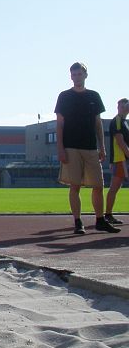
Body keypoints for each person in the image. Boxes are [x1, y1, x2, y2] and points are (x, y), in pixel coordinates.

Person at [54, 62, 118, 234]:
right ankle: (78, 222)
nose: (76, 77)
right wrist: (60, 148)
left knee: (98, 184)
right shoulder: (64, 96)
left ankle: (100, 220)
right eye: (74, 75)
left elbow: (98, 123)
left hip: (90, 147)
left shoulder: (94, 96)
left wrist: (102, 146)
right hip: (71, 147)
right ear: (71, 76)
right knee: (75, 186)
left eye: (79, 74)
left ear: (85, 75)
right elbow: (59, 124)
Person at [105, 98, 129, 228]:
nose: (124, 108)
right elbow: (120, 141)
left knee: (115, 187)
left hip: (123, 159)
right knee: (114, 187)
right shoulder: (117, 121)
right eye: (121, 106)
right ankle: (108, 215)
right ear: (118, 107)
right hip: (120, 159)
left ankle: (108, 214)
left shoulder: (125, 122)